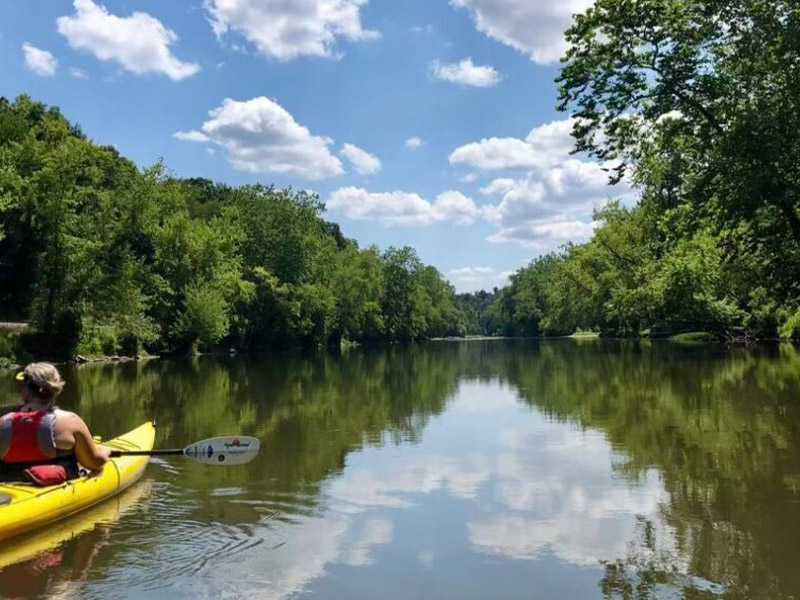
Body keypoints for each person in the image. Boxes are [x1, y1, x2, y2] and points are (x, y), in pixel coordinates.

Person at [0, 363, 110, 481]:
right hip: (56, 491)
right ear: (55, 388)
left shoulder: (3, 422)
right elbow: (94, 463)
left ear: (25, 389)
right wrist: (105, 452)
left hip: (10, 490)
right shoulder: (71, 421)